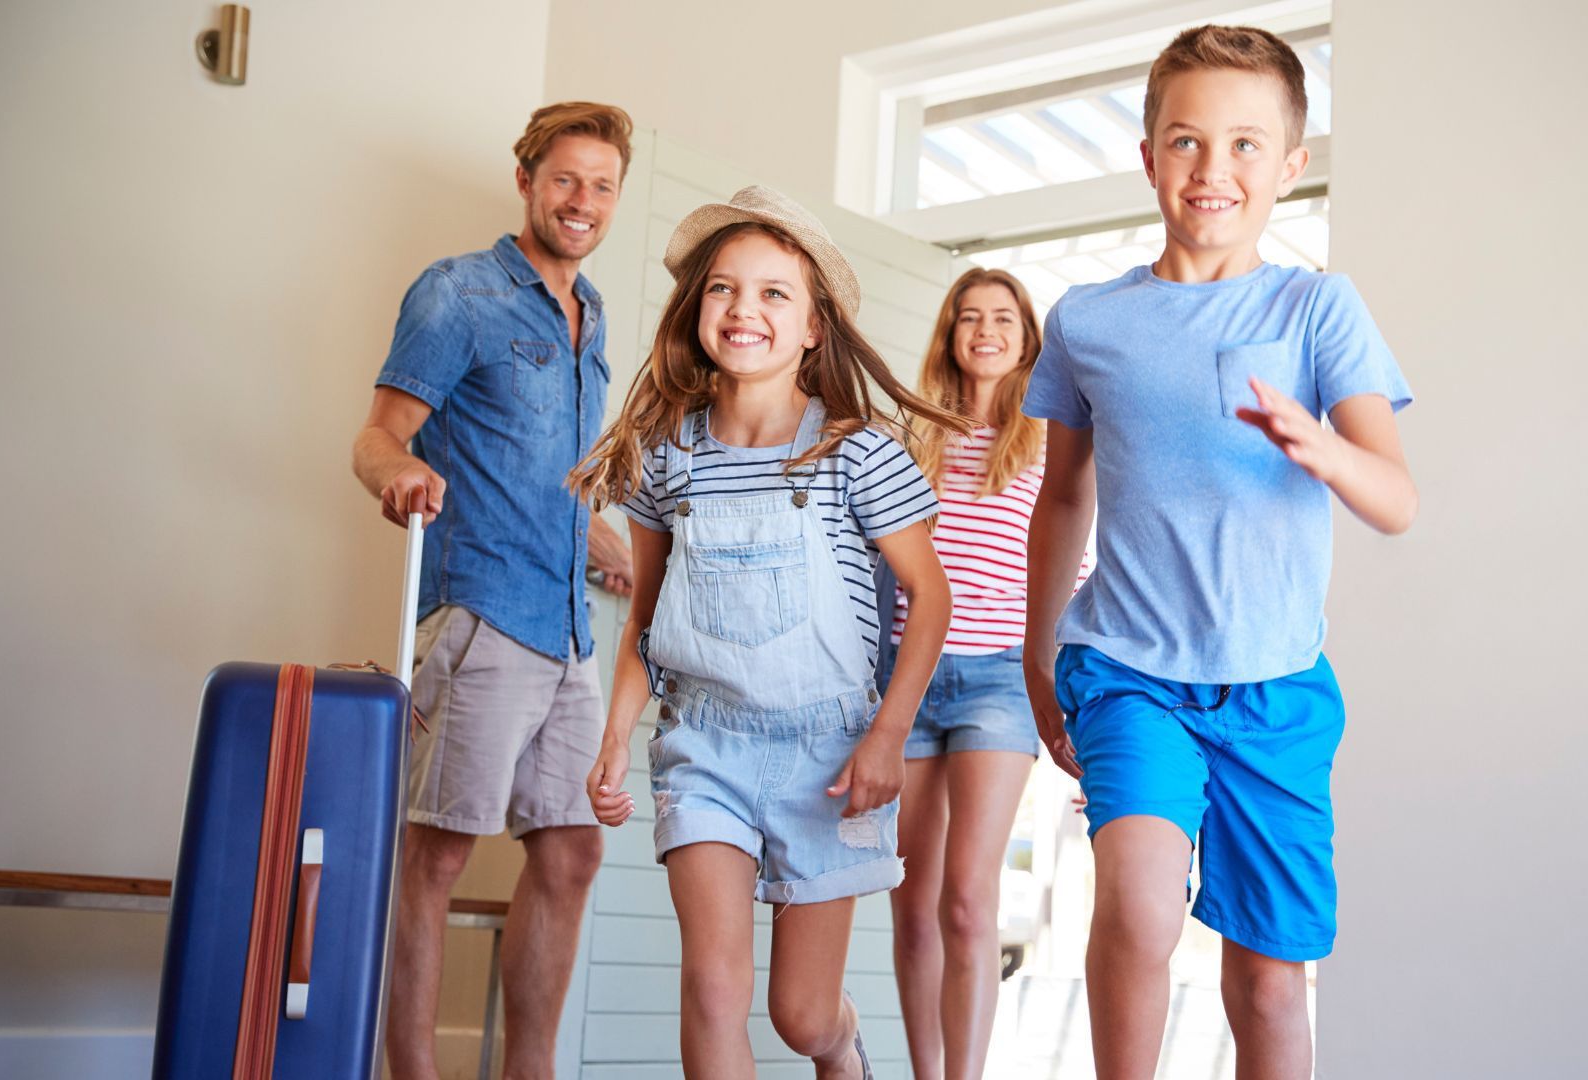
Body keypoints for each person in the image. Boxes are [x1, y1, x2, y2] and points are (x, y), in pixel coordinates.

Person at [1020, 25, 1419, 1080]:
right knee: (1141, 906)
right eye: (1188, 142)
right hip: (1127, 669)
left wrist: (1322, 445)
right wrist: (1037, 652)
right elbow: (1062, 496)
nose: (1214, 170)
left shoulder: (1316, 308)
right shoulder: (1090, 320)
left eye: (1247, 145)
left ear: (1290, 166)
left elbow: (1397, 496)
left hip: (1276, 687)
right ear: (1149, 156)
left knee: (1269, 981)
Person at [568, 186, 968, 1080]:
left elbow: (929, 597)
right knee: (713, 988)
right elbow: (648, 616)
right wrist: (614, 733)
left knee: (798, 1015)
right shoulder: (668, 453)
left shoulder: (856, 453)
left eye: (774, 293)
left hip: (831, 759)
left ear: (815, 326)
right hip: (704, 746)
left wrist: (888, 738)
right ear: (696, 308)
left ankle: (842, 1045)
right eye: (722, 288)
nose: (744, 309)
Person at [349, 102, 636, 1080]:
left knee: (571, 854)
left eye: (602, 185)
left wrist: (596, 538)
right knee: (435, 858)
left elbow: (544, 470)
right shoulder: (459, 293)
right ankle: (415, 1072)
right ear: (526, 179)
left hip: (566, 632)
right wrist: (397, 472)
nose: (583, 201)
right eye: (566, 179)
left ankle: (532, 1072)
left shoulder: (591, 315)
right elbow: (377, 434)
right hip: (479, 616)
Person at [886, 267, 1089, 1080]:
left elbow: (1072, 576)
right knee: (910, 902)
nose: (984, 331)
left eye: (1002, 318)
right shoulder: (913, 436)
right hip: (910, 676)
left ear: (1027, 336)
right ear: (949, 335)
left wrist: (1076, 697)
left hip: (1002, 680)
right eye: (968, 318)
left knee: (967, 900)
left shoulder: (1048, 439)